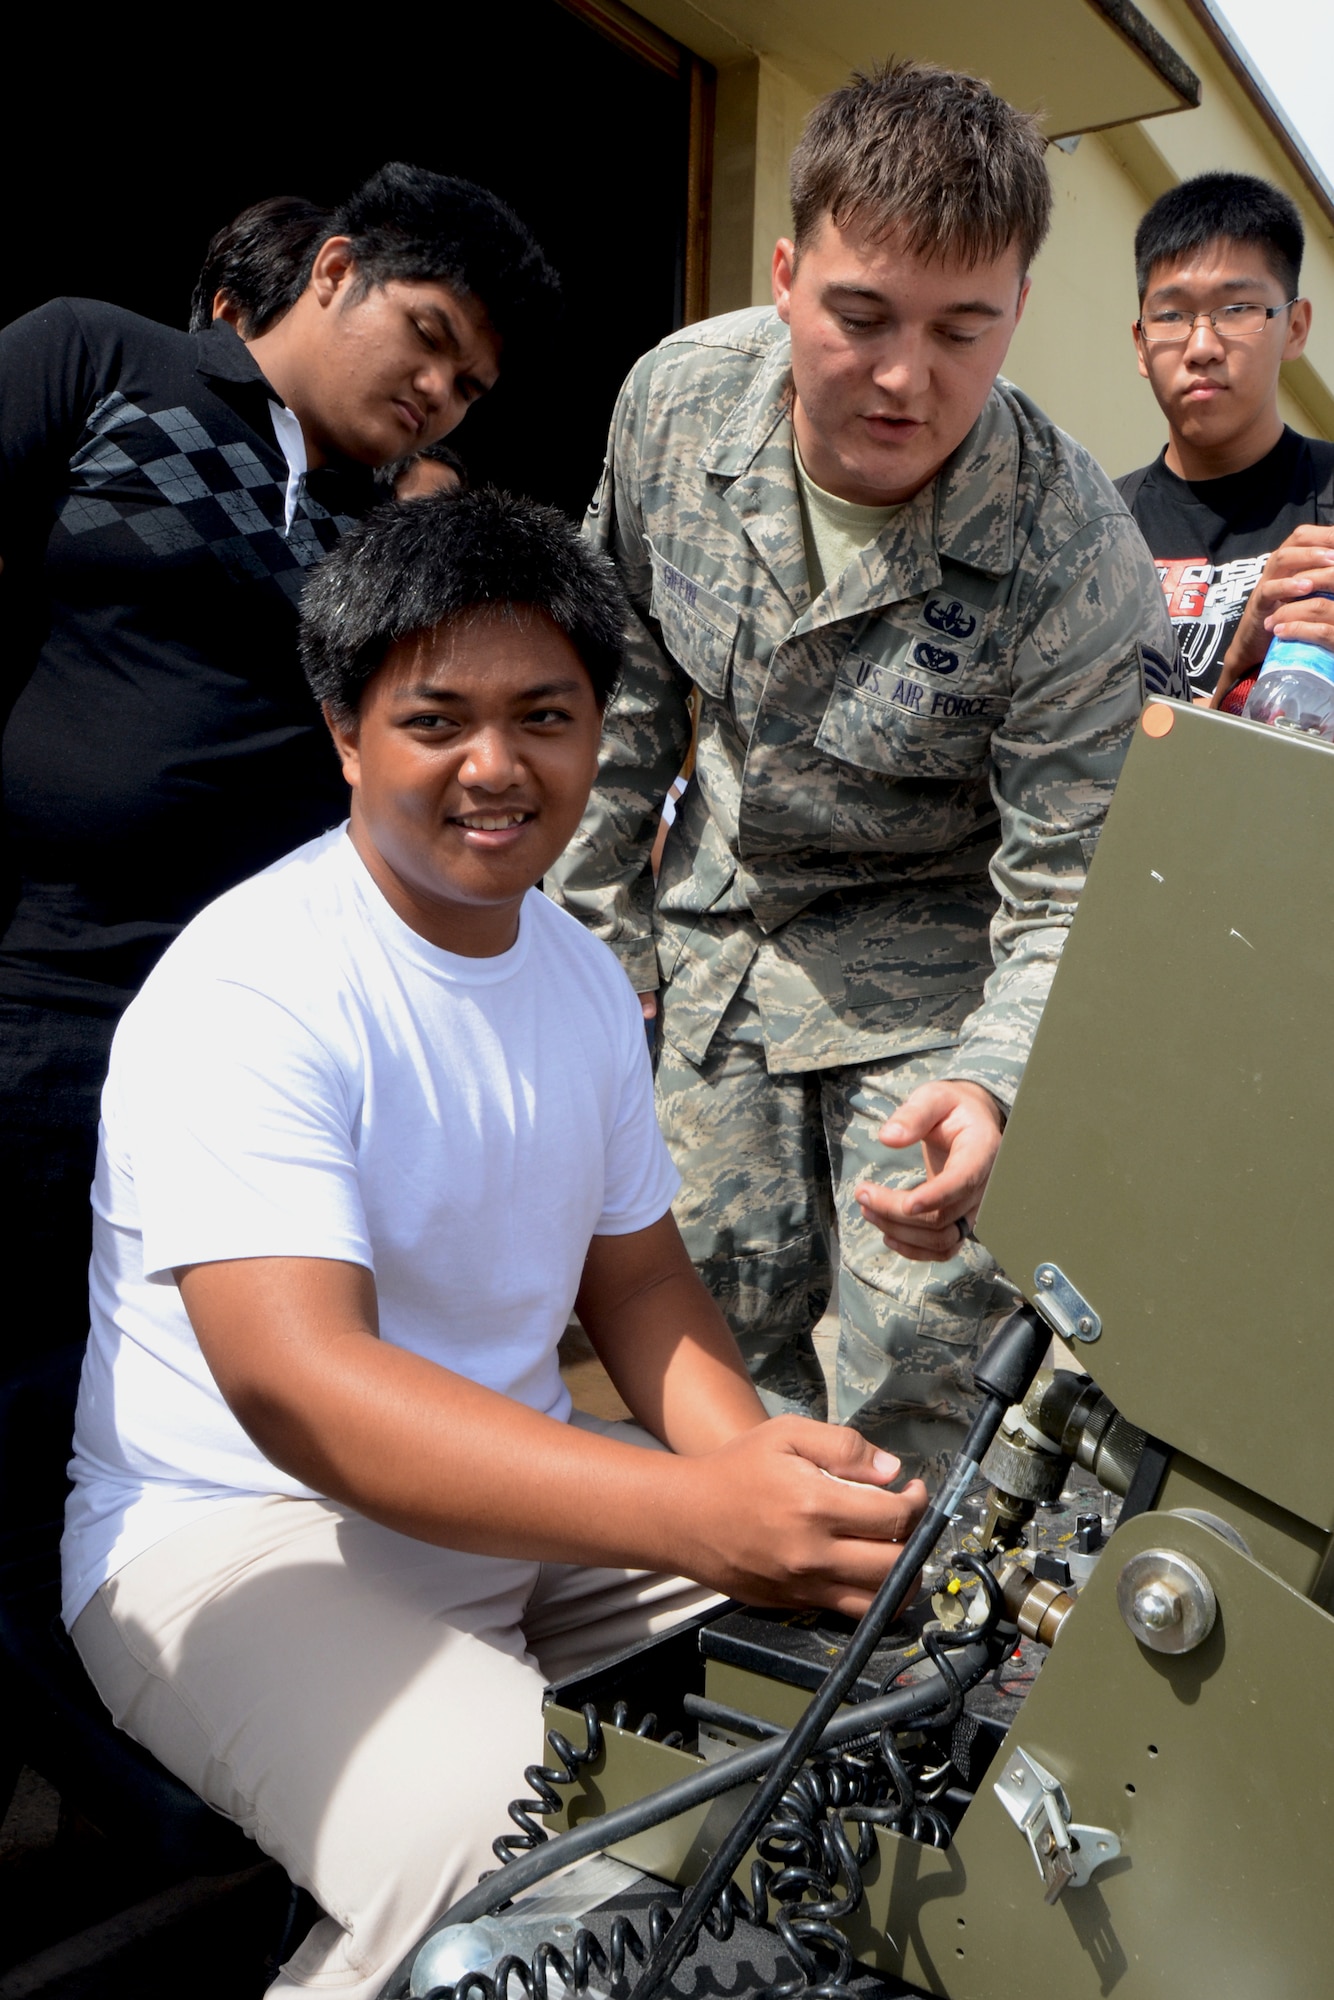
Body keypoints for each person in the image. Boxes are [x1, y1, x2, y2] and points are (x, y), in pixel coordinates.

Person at [60, 489, 927, 1999]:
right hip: (235, 1541)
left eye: (544, 714)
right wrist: (688, 1519)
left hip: (519, 1515)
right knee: (557, 1877)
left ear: (598, 730)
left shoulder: (580, 976)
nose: (493, 767)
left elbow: (640, 1281)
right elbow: (303, 1390)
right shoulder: (252, 989)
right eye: (433, 719)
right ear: (345, 733)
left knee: (898, 1724)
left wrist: (753, 1476)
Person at [546, 60, 1176, 1483]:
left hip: (933, 1005)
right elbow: (616, 709)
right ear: (784, 272)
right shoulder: (674, 409)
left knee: (917, 1379)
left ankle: (891, 1687)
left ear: (1017, 308)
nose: (906, 378)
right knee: (700, 1346)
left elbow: (1070, 889)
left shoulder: (1073, 555)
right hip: (713, 951)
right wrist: (593, 967)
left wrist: (999, 1085)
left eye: (963, 330)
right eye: (861, 317)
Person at [0, 162, 557, 1370]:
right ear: (336, 269)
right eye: (428, 338)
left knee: (178, 1370)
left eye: (469, 384)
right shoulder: (98, 361)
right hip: (44, 983)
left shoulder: (396, 541)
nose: (439, 394)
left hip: (255, 1024)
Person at [1116, 171, 1334, 708]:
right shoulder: (1088, 529)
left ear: (1296, 328)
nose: (1202, 346)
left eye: (1237, 309)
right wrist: (1240, 664)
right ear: (1141, 346)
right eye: (1171, 315)